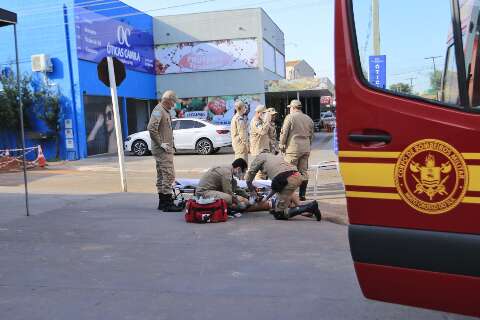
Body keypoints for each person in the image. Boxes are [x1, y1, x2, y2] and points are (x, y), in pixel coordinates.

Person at [245, 153, 321, 221]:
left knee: (279, 214)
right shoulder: (272, 158)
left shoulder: (258, 160)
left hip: (288, 180)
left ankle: (310, 207)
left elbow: (249, 177)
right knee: (285, 194)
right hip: (296, 175)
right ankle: (304, 209)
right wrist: (266, 199)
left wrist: (253, 192)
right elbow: (276, 188)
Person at [147, 90, 183, 212]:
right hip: (162, 150)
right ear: (167, 100)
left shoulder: (164, 111)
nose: (174, 105)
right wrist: (161, 143)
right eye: (173, 102)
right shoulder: (159, 110)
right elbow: (151, 128)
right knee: (168, 175)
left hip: (165, 149)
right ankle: (167, 204)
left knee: (162, 176)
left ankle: (163, 203)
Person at [279, 99, 314, 201]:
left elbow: (284, 133)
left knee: (289, 172)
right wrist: (308, 145)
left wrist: (281, 144)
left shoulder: (290, 117)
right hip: (306, 148)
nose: (289, 110)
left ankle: (290, 195)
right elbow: (312, 135)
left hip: (293, 149)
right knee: (303, 172)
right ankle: (302, 195)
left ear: (293, 108)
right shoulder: (308, 118)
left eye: (290, 108)